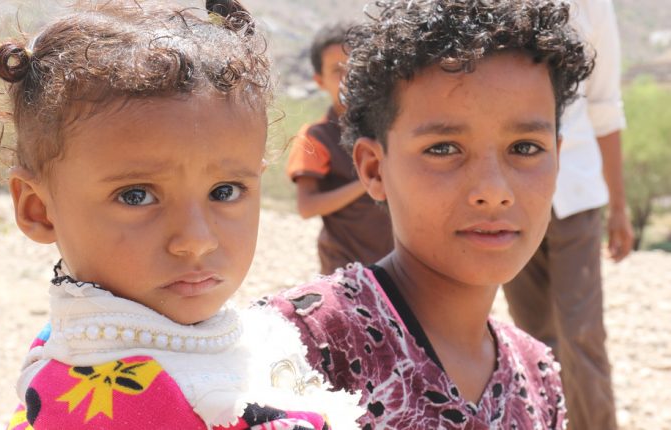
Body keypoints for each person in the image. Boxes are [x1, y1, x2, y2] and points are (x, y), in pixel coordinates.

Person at [0, 2, 360, 429]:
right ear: (38, 209)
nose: (196, 240)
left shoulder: (75, 339)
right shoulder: (145, 404)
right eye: (136, 196)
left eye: (224, 191)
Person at [267, 0, 596, 427]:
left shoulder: (538, 375)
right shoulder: (303, 346)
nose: (493, 192)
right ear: (374, 169)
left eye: (525, 148)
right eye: (443, 149)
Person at [502, 1, 633, 428]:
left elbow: (604, 105)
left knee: (582, 333)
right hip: (508, 193)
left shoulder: (592, 7)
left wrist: (618, 207)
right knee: (530, 335)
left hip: (575, 192)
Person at [286, 22, 393, 275]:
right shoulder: (316, 137)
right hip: (344, 267)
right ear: (319, 81)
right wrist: (368, 181)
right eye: (337, 70)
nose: (349, 77)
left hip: (398, 264)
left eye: (356, 66)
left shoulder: (390, 126)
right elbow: (307, 206)